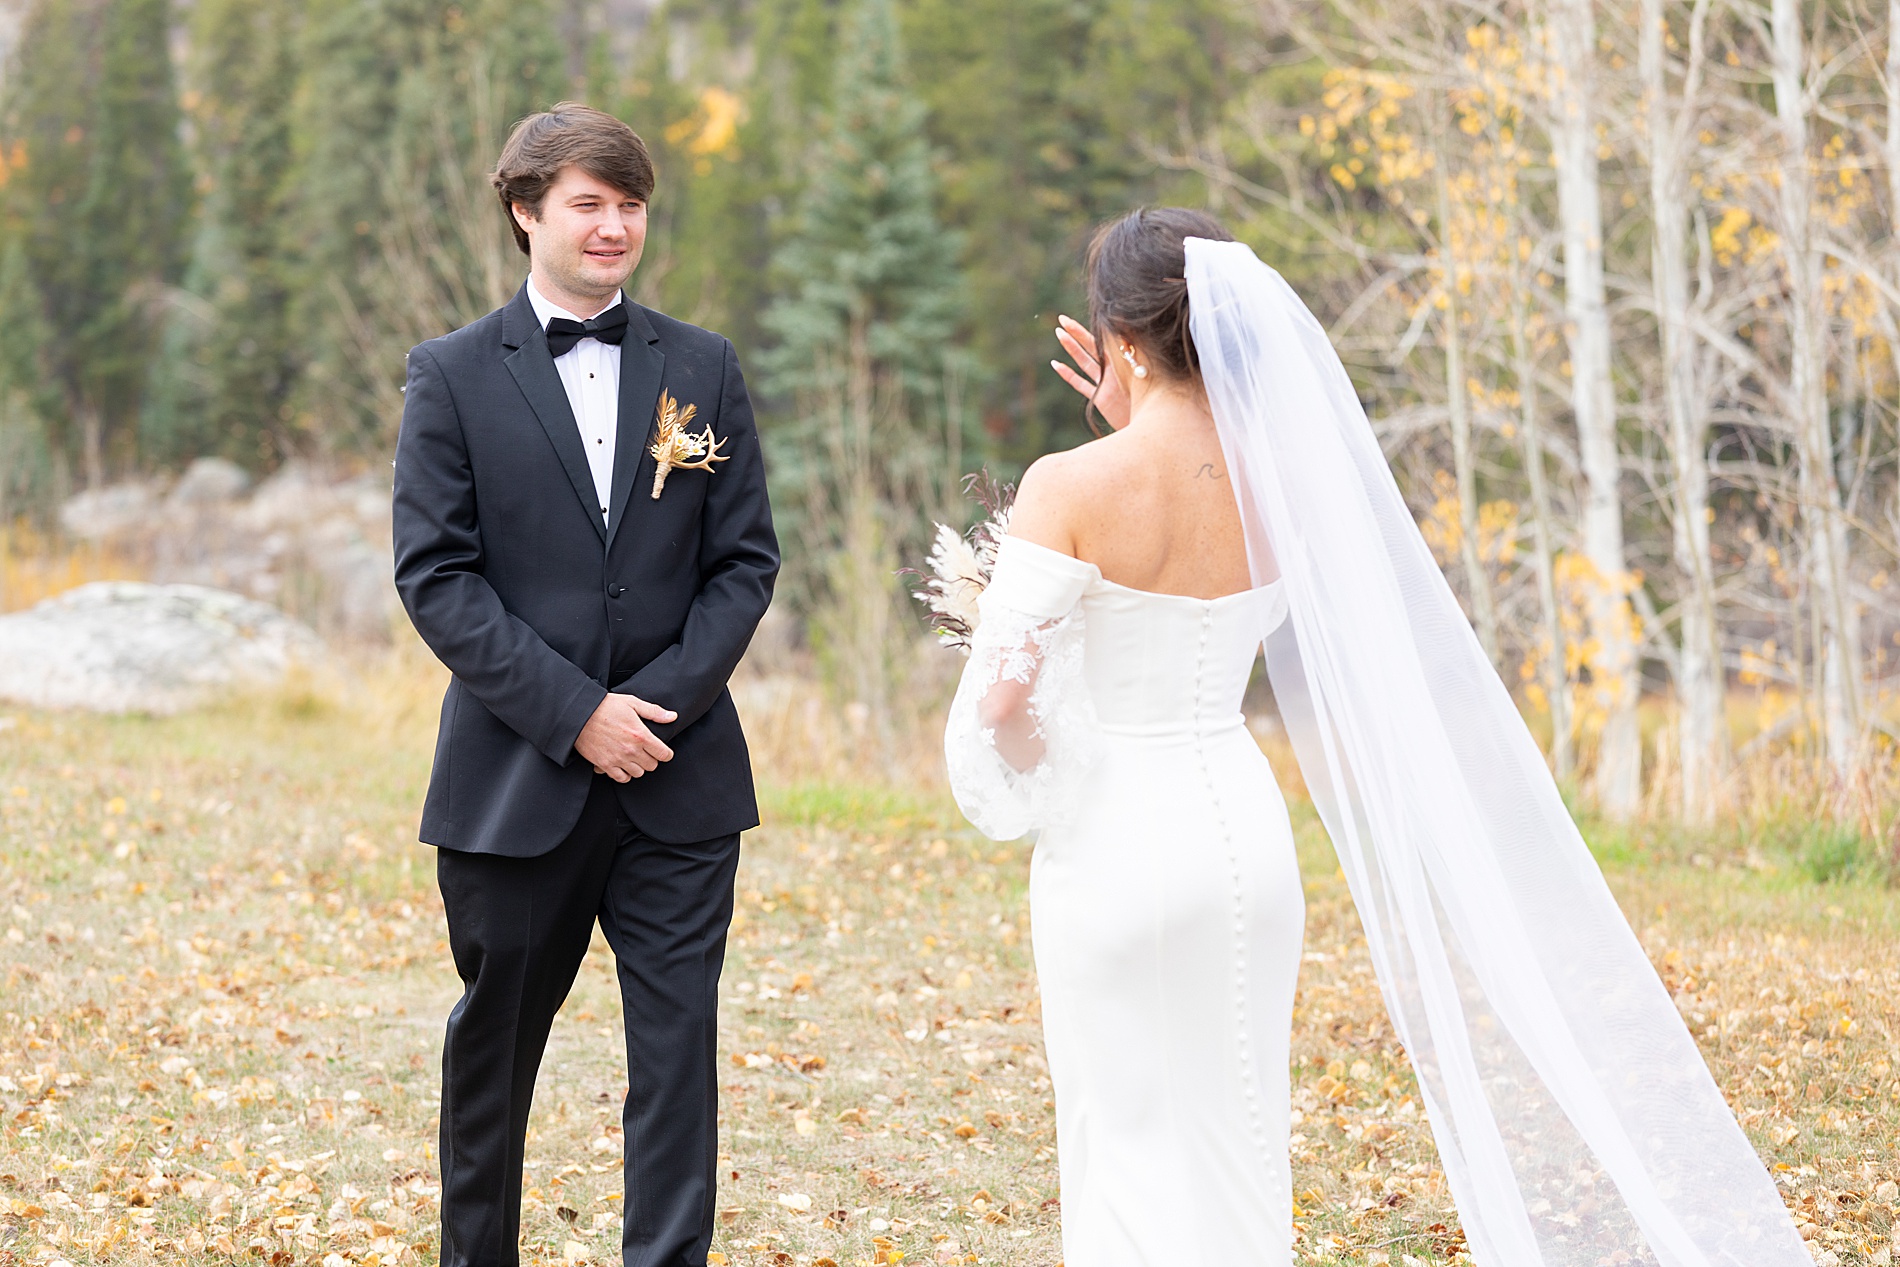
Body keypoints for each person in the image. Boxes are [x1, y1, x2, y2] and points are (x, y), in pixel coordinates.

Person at [944, 208, 1810, 1265]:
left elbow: (999, 706)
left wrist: (1056, 779)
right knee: (1236, 1134)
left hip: (1118, 849)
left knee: (1123, 1140)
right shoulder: (1286, 482)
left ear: (1121, 341)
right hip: (1246, 845)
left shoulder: (1067, 488)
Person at [392, 103, 778, 1267]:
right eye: (588, 204)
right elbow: (438, 577)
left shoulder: (703, 366)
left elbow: (744, 561)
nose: (614, 227)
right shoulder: (451, 375)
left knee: (675, 1057)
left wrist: (654, 709)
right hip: (517, 780)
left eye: (630, 205)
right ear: (525, 213)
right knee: (495, 1052)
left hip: (680, 776)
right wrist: (577, 715)